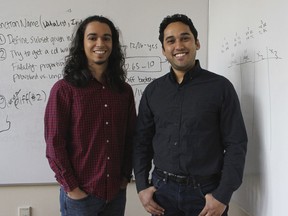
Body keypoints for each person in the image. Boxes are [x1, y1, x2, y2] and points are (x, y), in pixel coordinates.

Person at [133, 14, 247, 216]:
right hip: (162, 192)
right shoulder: (153, 91)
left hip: (207, 194)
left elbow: (236, 144)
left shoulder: (221, 88)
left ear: (197, 42)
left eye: (185, 38)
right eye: (171, 41)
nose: (178, 45)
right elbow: (141, 142)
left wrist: (223, 195)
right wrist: (142, 186)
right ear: (163, 50)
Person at [44, 15, 136, 216]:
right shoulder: (64, 90)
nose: (100, 43)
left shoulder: (124, 91)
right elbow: (54, 144)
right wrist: (72, 189)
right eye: (92, 37)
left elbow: (130, 138)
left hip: (115, 195)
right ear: (82, 43)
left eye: (107, 38)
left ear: (114, 44)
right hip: (81, 198)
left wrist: (123, 178)